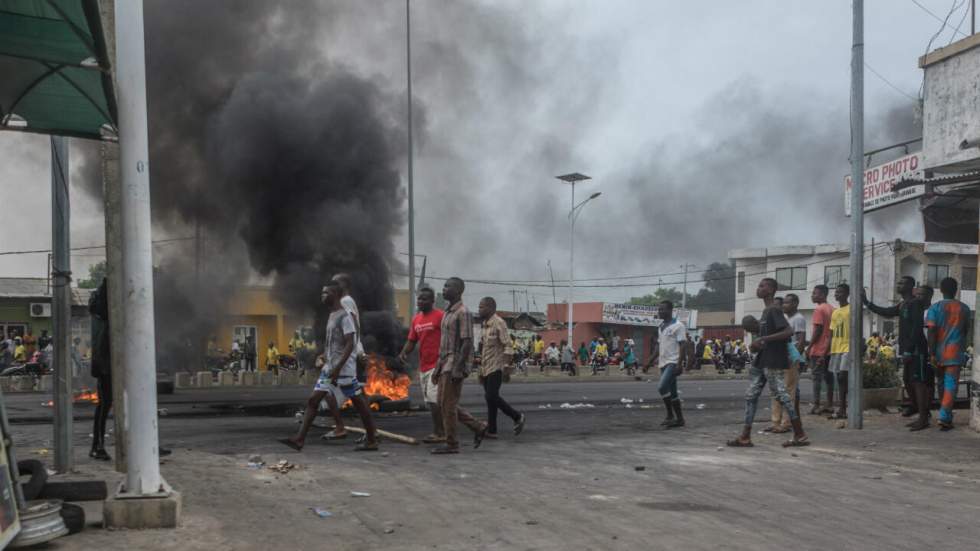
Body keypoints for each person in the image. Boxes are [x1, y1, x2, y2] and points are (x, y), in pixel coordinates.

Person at [282, 280, 378, 452]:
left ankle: (371, 439)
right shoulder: (332, 315)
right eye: (322, 292)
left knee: (359, 403)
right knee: (313, 400)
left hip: (343, 371)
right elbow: (333, 344)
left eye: (326, 293)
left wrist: (338, 367)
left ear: (336, 295)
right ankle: (299, 439)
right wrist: (324, 357)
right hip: (330, 369)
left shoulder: (345, 316)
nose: (322, 295)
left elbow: (350, 344)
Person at [727, 278, 809, 448]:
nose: (759, 288)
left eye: (762, 285)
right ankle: (745, 436)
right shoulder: (766, 312)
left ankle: (800, 435)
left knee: (782, 395)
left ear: (771, 290)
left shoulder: (774, 310)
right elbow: (767, 338)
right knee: (751, 395)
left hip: (774, 360)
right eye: (759, 285)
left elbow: (788, 332)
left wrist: (763, 339)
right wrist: (757, 343)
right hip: (763, 360)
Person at [863, 276, 931, 430]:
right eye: (899, 282)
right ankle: (918, 409)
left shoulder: (915, 304)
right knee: (907, 380)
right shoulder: (903, 304)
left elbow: (917, 328)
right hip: (907, 350)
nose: (898, 285)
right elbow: (886, 311)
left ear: (910, 286)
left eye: (902, 283)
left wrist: (909, 350)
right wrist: (867, 302)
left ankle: (923, 418)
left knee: (918, 382)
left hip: (916, 350)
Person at [430, 277, 488, 454]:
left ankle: (452, 443)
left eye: (448, 286)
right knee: (443, 403)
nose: (444, 288)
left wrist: (458, 367)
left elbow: (467, 342)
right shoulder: (447, 312)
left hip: (454, 363)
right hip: (444, 362)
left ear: (459, 291)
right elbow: (444, 344)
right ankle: (477, 426)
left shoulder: (463, 312)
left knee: (447, 404)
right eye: (444, 285)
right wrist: (437, 368)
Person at [399, 286, 445, 443]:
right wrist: (404, 352)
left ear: (432, 301)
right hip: (424, 366)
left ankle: (440, 433)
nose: (420, 301)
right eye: (419, 298)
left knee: (434, 400)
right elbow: (412, 340)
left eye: (424, 298)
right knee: (432, 401)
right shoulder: (416, 319)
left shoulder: (440, 316)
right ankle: (476, 425)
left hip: (438, 365)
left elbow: (449, 338)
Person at [477, 297, 526, 439]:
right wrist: (480, 367)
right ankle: (492, 430)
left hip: (497, 367)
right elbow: (484, 348)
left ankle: (517, 416)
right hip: (486, 366)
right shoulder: (485, 324)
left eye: (482, 307)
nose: (479, 310)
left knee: (491, 396)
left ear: (491, 308)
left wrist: (506, 366)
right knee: (490, 399)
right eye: (479, 307)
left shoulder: (499, 323)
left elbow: (508, 346)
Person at [926, 277, 971, 430]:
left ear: (941, 290)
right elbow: (965, 331)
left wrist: (931, 353)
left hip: (938, 353)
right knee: (951, 385)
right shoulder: (964, 308)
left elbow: (931, 331)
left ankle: (945, 415)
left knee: (941, 384)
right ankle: (945, 417)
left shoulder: (934, 308)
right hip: (955, 353)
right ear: (956, 290)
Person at [768, 293, 805, 433]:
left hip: (790, 358)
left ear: (795, 304)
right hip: (780, 357)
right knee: (777, 390)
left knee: (789, 391)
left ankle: (786, 423)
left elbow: (801, 340)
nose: (784, 305)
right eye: (783, 303)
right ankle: (775, 422)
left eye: (787, 303)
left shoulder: (798, 318)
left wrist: (795, 358)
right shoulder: (784, 318)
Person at [652, 301, 689, 428]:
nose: (660, 312)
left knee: (662, 387)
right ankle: (680, 419)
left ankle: (670, 415)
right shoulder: (661, 326)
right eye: (659, 309)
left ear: (670, 310)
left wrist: (680, 364)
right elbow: (658, 347)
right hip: (663, 363)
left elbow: (683, 345)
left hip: (673, 362)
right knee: (673, 393)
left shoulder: (678, 326)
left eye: (662, 309)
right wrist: (649, 362)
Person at [89, 279, 113, 460]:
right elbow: (102, 344)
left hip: (109, 364)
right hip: (107, 365)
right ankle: (97, 446)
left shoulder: (101, 314)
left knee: (107, 404)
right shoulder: (104, 316)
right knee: (105, 404)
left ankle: (98, 446)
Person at [806, 284, 835, 414]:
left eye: (815, 293)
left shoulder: (818, 310)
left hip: (818, 350)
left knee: (816, 378)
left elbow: (817, 330)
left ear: (823, 295)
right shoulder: (832, 309)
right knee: (829, 377)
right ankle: (829, 404)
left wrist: (809, 346)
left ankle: (816, 405)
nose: (812, 296)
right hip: (829, 349)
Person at [332, 273, 366, 382]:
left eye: (335, 283)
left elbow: (353, 324)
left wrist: (357, 346)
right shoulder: (347, 300)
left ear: (344, 285)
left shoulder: (345, 301)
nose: (333, 286)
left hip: (347, 353)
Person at [827, 284, 851, 420]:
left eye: (840, 292)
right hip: (836, 348)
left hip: (848, 347)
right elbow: (831, 332)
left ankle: (844, 407)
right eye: (836, 292)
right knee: (839, 379)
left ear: (847, 293)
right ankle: (841, 408)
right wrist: (829, 349)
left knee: (843, 376)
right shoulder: (835, 312)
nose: (837, 294)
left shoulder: (851, 309)